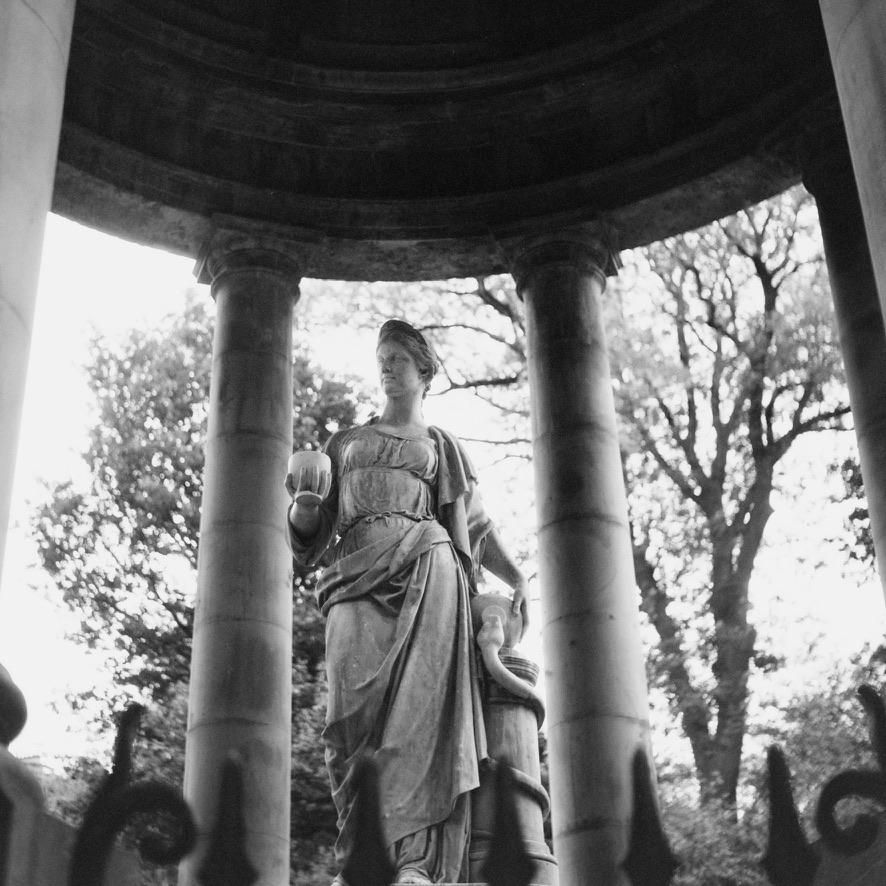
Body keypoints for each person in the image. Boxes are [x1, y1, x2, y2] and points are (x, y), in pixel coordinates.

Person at [286, 319, 528, 885]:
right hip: (353, 578)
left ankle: (416, 863)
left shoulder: (441, 446)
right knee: (349, 719)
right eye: (382, 358)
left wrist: (517, 578)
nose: (387, 366)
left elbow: (475, 526)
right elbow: (312, 533)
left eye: (398, 357)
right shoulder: (343, 444)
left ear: (423, 370)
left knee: (423, 721)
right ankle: (364, 853)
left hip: (429, 572)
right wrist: (301, 510)